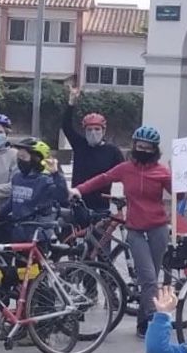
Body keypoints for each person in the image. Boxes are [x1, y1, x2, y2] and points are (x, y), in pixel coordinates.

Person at [73, 126, 172, 338]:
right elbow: (103, 179)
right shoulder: (126, 168)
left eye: (148, 147)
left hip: (158, 228)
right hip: (135, 229)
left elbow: (179, 195)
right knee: (148, 278)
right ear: (134, 146)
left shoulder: (163, 172)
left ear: (155, 149)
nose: (143, 149)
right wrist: (78, 190)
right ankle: (153, 320)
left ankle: (142, 320)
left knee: (152, 276)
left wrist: (184, 183)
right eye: (139, 145)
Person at [0, 138, 68, 241]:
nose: (20, 160)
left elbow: (62, 195)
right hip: (18, 231)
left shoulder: (46, 181)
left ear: (36, 159)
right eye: (18, 157)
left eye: (23, 157)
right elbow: (12, 202)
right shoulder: (18, 178)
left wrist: (55, 174)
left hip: (38, 235)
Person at [61, 87, 125, 213]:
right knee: (71, 232)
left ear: (104, 131)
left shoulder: (112, 151)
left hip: (100, 206)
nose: (93, 133)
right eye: (89, 130)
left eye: (97, 129)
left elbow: (125, 174)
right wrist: (71, 103)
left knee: (99, 233)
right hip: (78, 202)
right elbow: (66, 126)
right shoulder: (80, 144)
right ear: (84, 131)